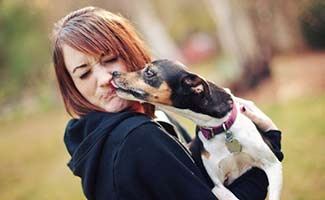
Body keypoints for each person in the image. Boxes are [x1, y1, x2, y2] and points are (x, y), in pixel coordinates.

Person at [51, 6, 283, 200]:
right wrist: (268, 148)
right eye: (83, 74)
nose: (103, 79)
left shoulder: (157, 114)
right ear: (72, 86)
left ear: (131, 51)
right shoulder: (139, 138)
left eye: (110, 59)